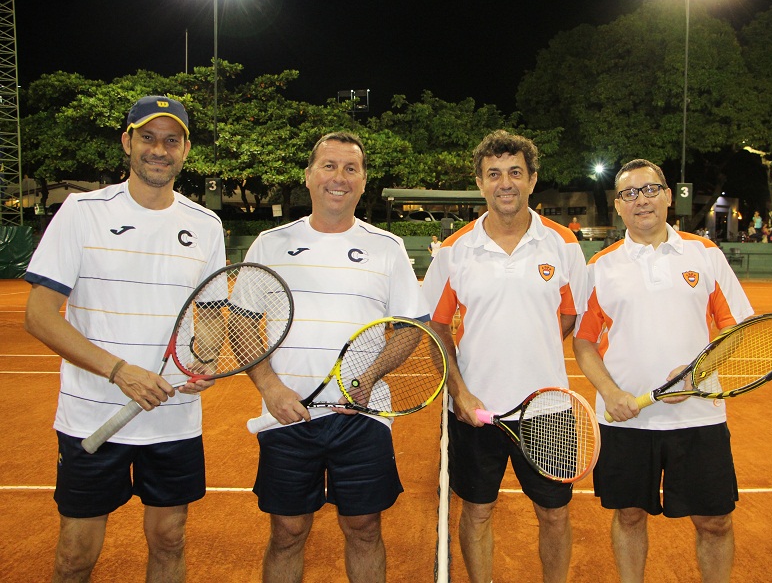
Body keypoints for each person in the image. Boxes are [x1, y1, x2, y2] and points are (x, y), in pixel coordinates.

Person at [23, 96, 226, 582]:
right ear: (127, 142)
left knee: (170, 539)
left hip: (174, 420)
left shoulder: (206, 224)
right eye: (148, 137)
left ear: (185, 150)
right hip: (91, 415)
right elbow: (39, 315)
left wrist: (206, 357)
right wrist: (119, 372)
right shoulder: (82, 211)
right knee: (76, 555)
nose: (159, 149)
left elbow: (211, 314)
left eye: (171, 140)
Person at [242, 131, 429, 583]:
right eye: (328, 166)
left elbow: (410, 327)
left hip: (362, 417)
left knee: (364, 528)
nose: (339, 177)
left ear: (363, 181)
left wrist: (369, 376)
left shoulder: (387, 247)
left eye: (351, 168)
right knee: (287, 532)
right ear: (309, 176)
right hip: (287, 415)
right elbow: (243, 325)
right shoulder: (269, 244)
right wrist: (270, 387)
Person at [573, 159, 753, 583]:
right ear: (619, 206)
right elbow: (583, 342)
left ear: (669, 196)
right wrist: (610, 393)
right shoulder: (599, 267)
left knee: (715, 522)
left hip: (699, 417)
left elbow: (736, 327)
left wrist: (697, 373)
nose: (641, 200)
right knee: (629, 516)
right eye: (629, 193)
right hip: (626, 418)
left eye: (650, 189)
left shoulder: (705, 254)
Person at [422, 130, 588, 583]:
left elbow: (570, 316)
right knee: (477, 511)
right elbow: (436, 326)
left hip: (548, 408)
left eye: (515, 172)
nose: (505, 183)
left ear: (532, 179)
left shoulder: (564, 244)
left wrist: (531, 349)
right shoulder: (454, 250)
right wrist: (460, 391)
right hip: (478, 410)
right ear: (480, 183)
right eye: (493, 174)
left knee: (554, 514)